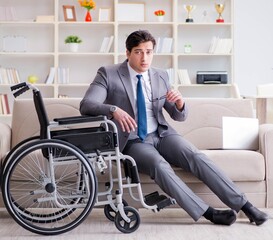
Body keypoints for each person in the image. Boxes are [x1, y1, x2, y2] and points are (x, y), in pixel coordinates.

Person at [80, 30, 268, 226]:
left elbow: (179, 115)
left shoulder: (160, 75)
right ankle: (208, 213)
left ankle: (247, 207)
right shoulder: (108, 74)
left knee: (197, 156)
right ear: (127, 53)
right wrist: (113, 110)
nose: (145, 58)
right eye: (138, 52)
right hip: (134, 141)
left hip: (162, 134)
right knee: (159, 165)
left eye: (149, 52)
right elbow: (87, 105)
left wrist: (179, 103)